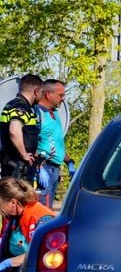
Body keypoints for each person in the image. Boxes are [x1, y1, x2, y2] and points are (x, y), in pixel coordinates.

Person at [1, 74, 42, 181]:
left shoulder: (15, 104)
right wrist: (24, 154)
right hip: (17, 168)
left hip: (17, 166)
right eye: (41, 92)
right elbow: (14, 130)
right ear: (36, 91)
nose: (41, 96)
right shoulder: (21, 106)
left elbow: (26, 134)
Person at [34, 78, 67, 208]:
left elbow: (57, 141)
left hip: (55, 169)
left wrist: (69, 162)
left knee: (49, 209)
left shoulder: (55, 113)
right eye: (61, 95)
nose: (63, 98)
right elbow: (30, 143)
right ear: (48, 94)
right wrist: (39, 168)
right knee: (41, 210)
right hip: (44, 167)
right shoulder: (38, 113)